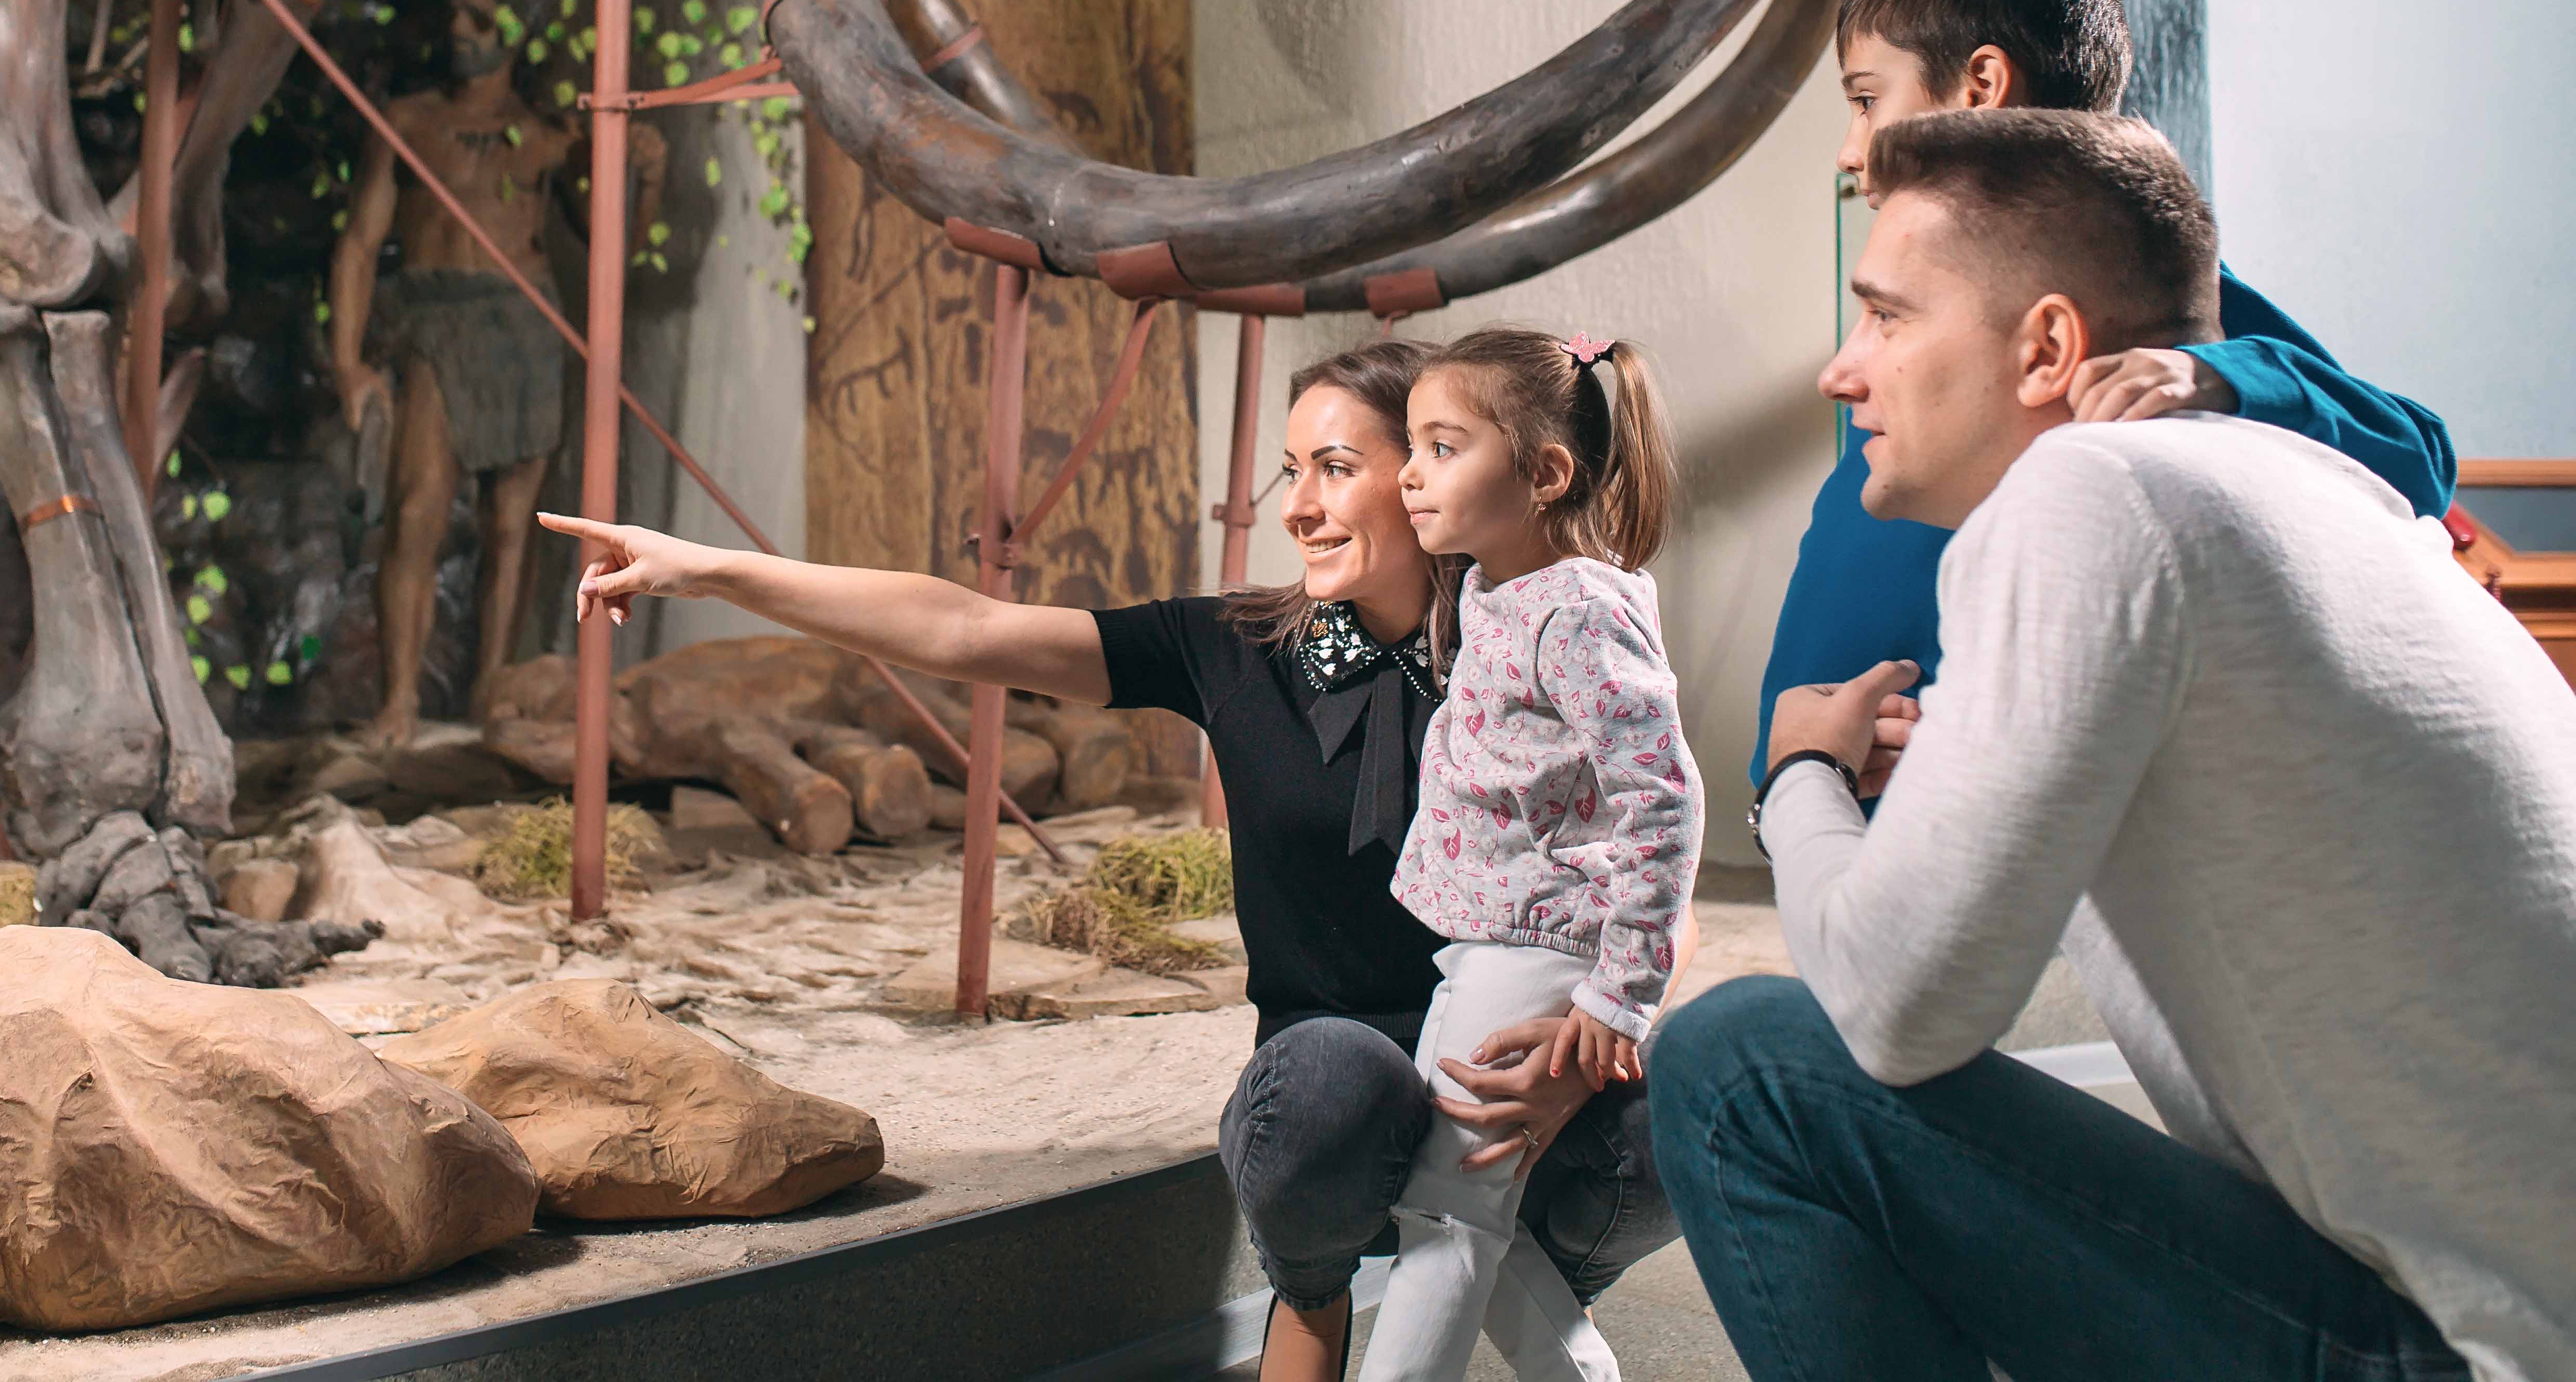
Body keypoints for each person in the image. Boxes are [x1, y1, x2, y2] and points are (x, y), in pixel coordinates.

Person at [1650, 108, 2576, 1381]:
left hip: (2473, 1354)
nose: (1839, 369)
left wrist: (1797, 773)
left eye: (1888, 316)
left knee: (1740, 1063)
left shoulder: (2087, 493)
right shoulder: (2308, 485)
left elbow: (1894, 1013)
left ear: (2046, 348)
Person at [538, 342, 1669, 1382]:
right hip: (1337, 1091)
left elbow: (1652, 850)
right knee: (1334, 1083)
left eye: (1339, 466)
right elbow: (967, 630)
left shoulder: (1533, 634)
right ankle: (1316, 1297)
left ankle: (1541, 1289)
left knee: (1679, 1110)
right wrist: (718, 572)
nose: (1306, 507)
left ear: (1443, 472)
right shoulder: (1234, 647)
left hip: (1512, 1063)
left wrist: (1587, 1045)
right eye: (1291, 473)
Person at [1751, 0, 2453, 785]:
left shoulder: (2142, 293)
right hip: (1825, 788)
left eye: (1865, 100)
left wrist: (2209, 369)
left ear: (1980, 85)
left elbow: (2416, 452)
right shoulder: (1914, 268)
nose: (1851, 150)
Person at [1359, 328, 1697, 1382]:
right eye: (1411, 445)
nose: (1410, 474)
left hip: (1539, 947)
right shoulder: (1491, 588)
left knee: (1447, 1217)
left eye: (1444, 447)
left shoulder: (1579, 610)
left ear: (1545, 474)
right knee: (1455, 1205)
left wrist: (1618, 995)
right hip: (1490, 943)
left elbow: (1662, 797)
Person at [329, 0, 664, 742]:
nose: (460, 27)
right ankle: (400, 702)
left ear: (516, 29)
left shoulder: (551, 132)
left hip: (523, 324)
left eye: (478, 15)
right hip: (434, 319)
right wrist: (348, 361)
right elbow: (356, 244)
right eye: (452, 11)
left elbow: (612, 249)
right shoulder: (409, 122)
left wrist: (648, 181)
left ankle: (489, 697)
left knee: (514, 527)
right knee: (415, 510)